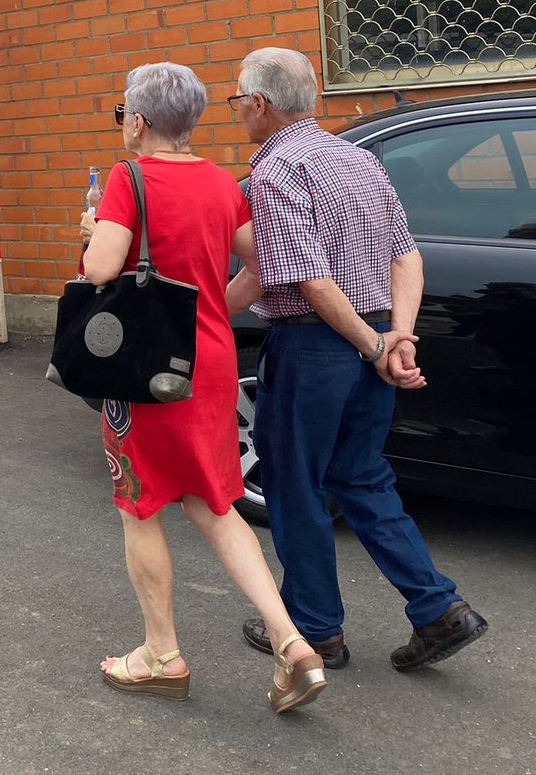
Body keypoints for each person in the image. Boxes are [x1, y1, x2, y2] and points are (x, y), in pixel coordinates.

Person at [226, 47, 487, 673]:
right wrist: (397, 338)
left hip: (315, 346)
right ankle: (437, 607)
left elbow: (308, 280)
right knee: (361, 476)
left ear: (260, 104)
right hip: (371, 334)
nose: (238, 112)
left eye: (238, 101)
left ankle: (316, 629)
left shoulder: (275, 170)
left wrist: (376, 349)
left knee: (293, 483)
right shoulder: (360, 160)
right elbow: (407, 257)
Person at [79, 62, 326, 714]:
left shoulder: (129, 181)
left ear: (137, 120)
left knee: (139, 502)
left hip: (146, 373)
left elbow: (101, 267)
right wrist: (208, 298)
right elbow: (263, 261)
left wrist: (91, 237)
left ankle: (161, 653)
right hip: (210, 363)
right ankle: (290, 639)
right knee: (216, 503)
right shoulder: (222, 183)